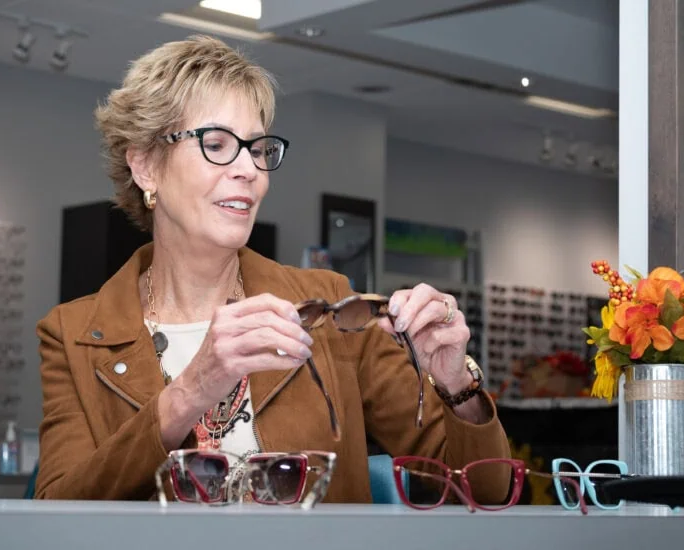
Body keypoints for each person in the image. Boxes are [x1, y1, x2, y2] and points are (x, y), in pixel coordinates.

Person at [34, 35, 511, 503]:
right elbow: (56, 512)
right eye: (217, 144)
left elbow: (483, 490)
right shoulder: (72, 336)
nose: (249, 170)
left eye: (258, 149)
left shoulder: (331, 311)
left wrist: (454, 383)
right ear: (145, 167)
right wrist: (192, 390)